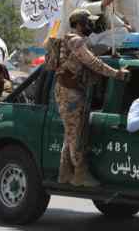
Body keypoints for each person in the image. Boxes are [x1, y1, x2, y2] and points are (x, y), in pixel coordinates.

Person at [55, 10, 129, 187]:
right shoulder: (77, 41)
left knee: (70, 133)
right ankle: (80, 174)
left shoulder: (70, 39)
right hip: (71, 93)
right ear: (79, 24)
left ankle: (64, 173)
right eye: (88, 22)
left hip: (66, 90)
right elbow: (93, 63)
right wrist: (116, 74)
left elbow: (91, 55)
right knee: (76, 134)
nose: (91, 26)